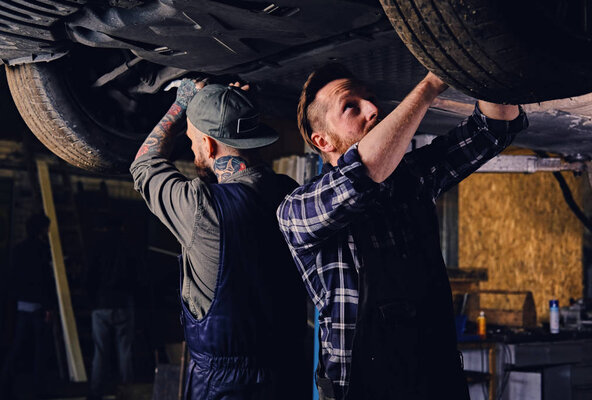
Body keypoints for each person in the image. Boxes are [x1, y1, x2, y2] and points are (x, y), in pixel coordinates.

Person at [277, 64, 529, 400]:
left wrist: (480, 61)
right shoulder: (298, 210)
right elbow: (364, 173)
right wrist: (431, 82)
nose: (373, 108)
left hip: (437, 382)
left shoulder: (413, 178)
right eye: (351, 107)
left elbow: (494, 129)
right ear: (322, 140)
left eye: (371, 99)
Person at [130, 80, 308, 400]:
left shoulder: (201, 207)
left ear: (210, 146)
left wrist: (180, 104)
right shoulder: (288, 191)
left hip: (226, 385)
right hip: (290, 370)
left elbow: (143, 166)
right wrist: (231, 108)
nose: (193, 148)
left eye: (193, 141)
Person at [1, 213, 54, 399]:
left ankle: (5, 387)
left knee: (17, 348)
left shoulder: (19, 249)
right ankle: (39, 391)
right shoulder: (42, 249)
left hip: (22, 304)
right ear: (41, 229)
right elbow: (45, 280)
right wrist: (49, 306)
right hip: (38, 305)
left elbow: (12, 278)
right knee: (40, 351)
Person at [86, 215, 138, 400]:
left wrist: (92, 300)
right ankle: (127, 391)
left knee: (100, 351)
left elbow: (90, 275)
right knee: (124, 350)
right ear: (122, 227)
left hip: (101, 304)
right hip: (124, 303)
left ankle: (95, 390)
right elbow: (137, 276)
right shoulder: (129, 247)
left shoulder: (98, 245)